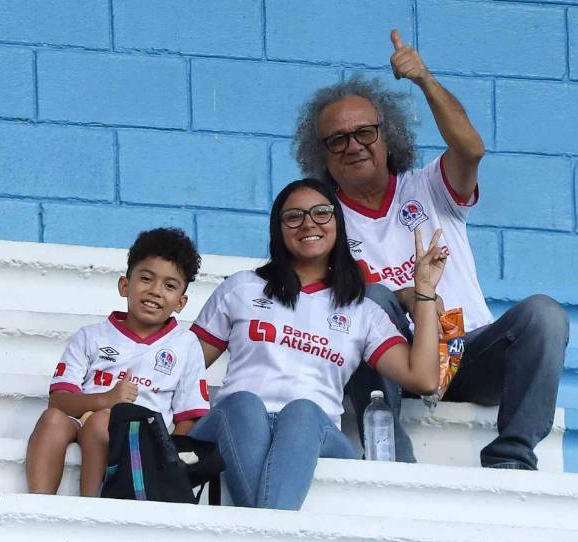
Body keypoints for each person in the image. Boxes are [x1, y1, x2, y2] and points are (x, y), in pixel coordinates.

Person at [293, 29, 569, 470]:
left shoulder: (428, 187)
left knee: (545, 314)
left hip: (469, 355)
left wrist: (423, 78)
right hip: (396, 365)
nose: (354, 145)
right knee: (370, 298)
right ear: (321, 155)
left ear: (387, 136)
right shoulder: (322, 221)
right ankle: (390, 450)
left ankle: (512, 457)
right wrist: (411, 296)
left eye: (365, 132)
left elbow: (471, 148)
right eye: (338, 139)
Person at [188, 178, 446, 510]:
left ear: (337, 222)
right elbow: (182, 364)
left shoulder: (362, 310)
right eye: (294, 216)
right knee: (242, 404)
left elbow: (423, 378)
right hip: (238, 422)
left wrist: (423, 290)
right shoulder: (242, 287)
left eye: (321, 212)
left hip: (312, 431)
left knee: (303, 411)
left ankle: (263, 533)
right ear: (278, 229)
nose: (309, 223)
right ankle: (273, 533)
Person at [26, 228, 210, 496]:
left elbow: (189, 415)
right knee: (52, 419)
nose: (156, 291)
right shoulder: (91, 336)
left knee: (103, 422)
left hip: (139, 436)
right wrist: (105, 400)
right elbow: (59, 401)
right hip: (83, 416)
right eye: (146, 279)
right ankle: (38, 506)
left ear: (181, 302)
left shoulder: (185, 344)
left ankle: (92, 507)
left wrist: (167, 454)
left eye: (169, 286)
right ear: (125, 285)